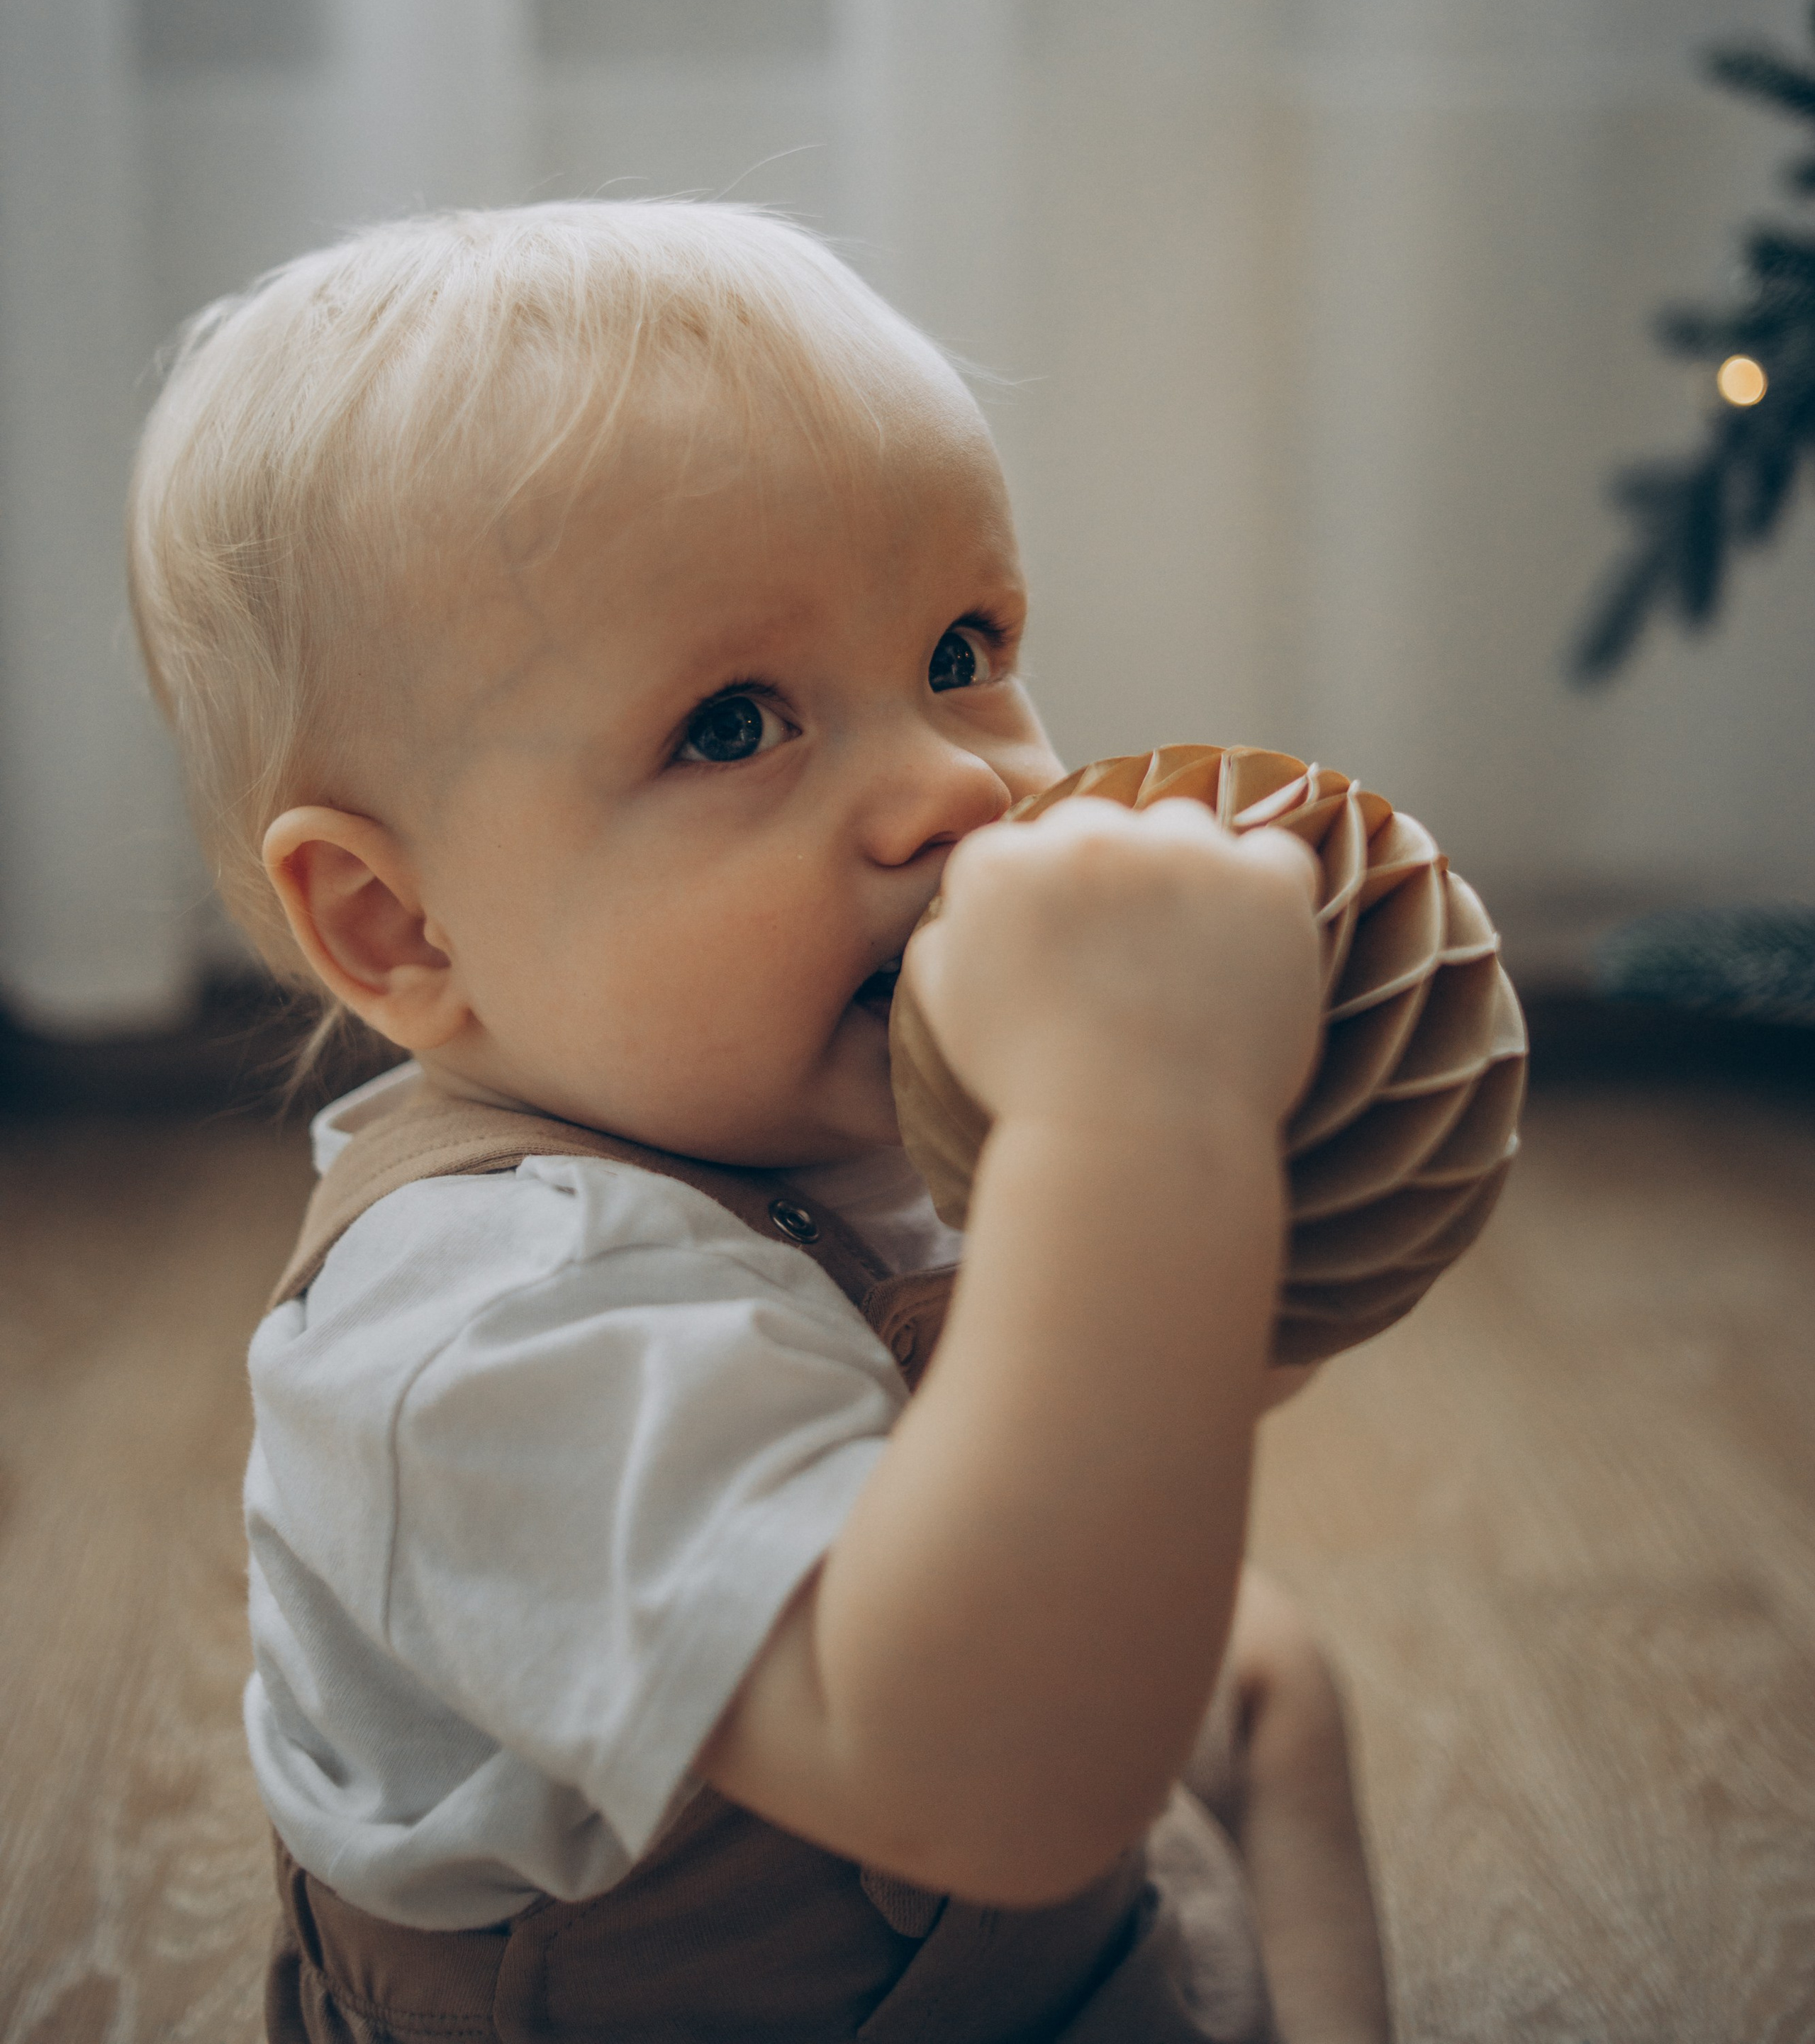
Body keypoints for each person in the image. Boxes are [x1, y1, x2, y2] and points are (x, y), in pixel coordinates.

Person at [128, 203, 1392, 2043]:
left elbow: (1112, 1411)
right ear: (402, 929)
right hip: (794, 1933)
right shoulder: (484, 1330)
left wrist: (1266, 1153)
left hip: (985, 1921)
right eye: (733, 724)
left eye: (964, 646)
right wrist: (1140, 1129)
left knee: (1267, 1670)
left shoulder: (819, 1100)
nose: (958, 787)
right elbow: (1000, 1778)